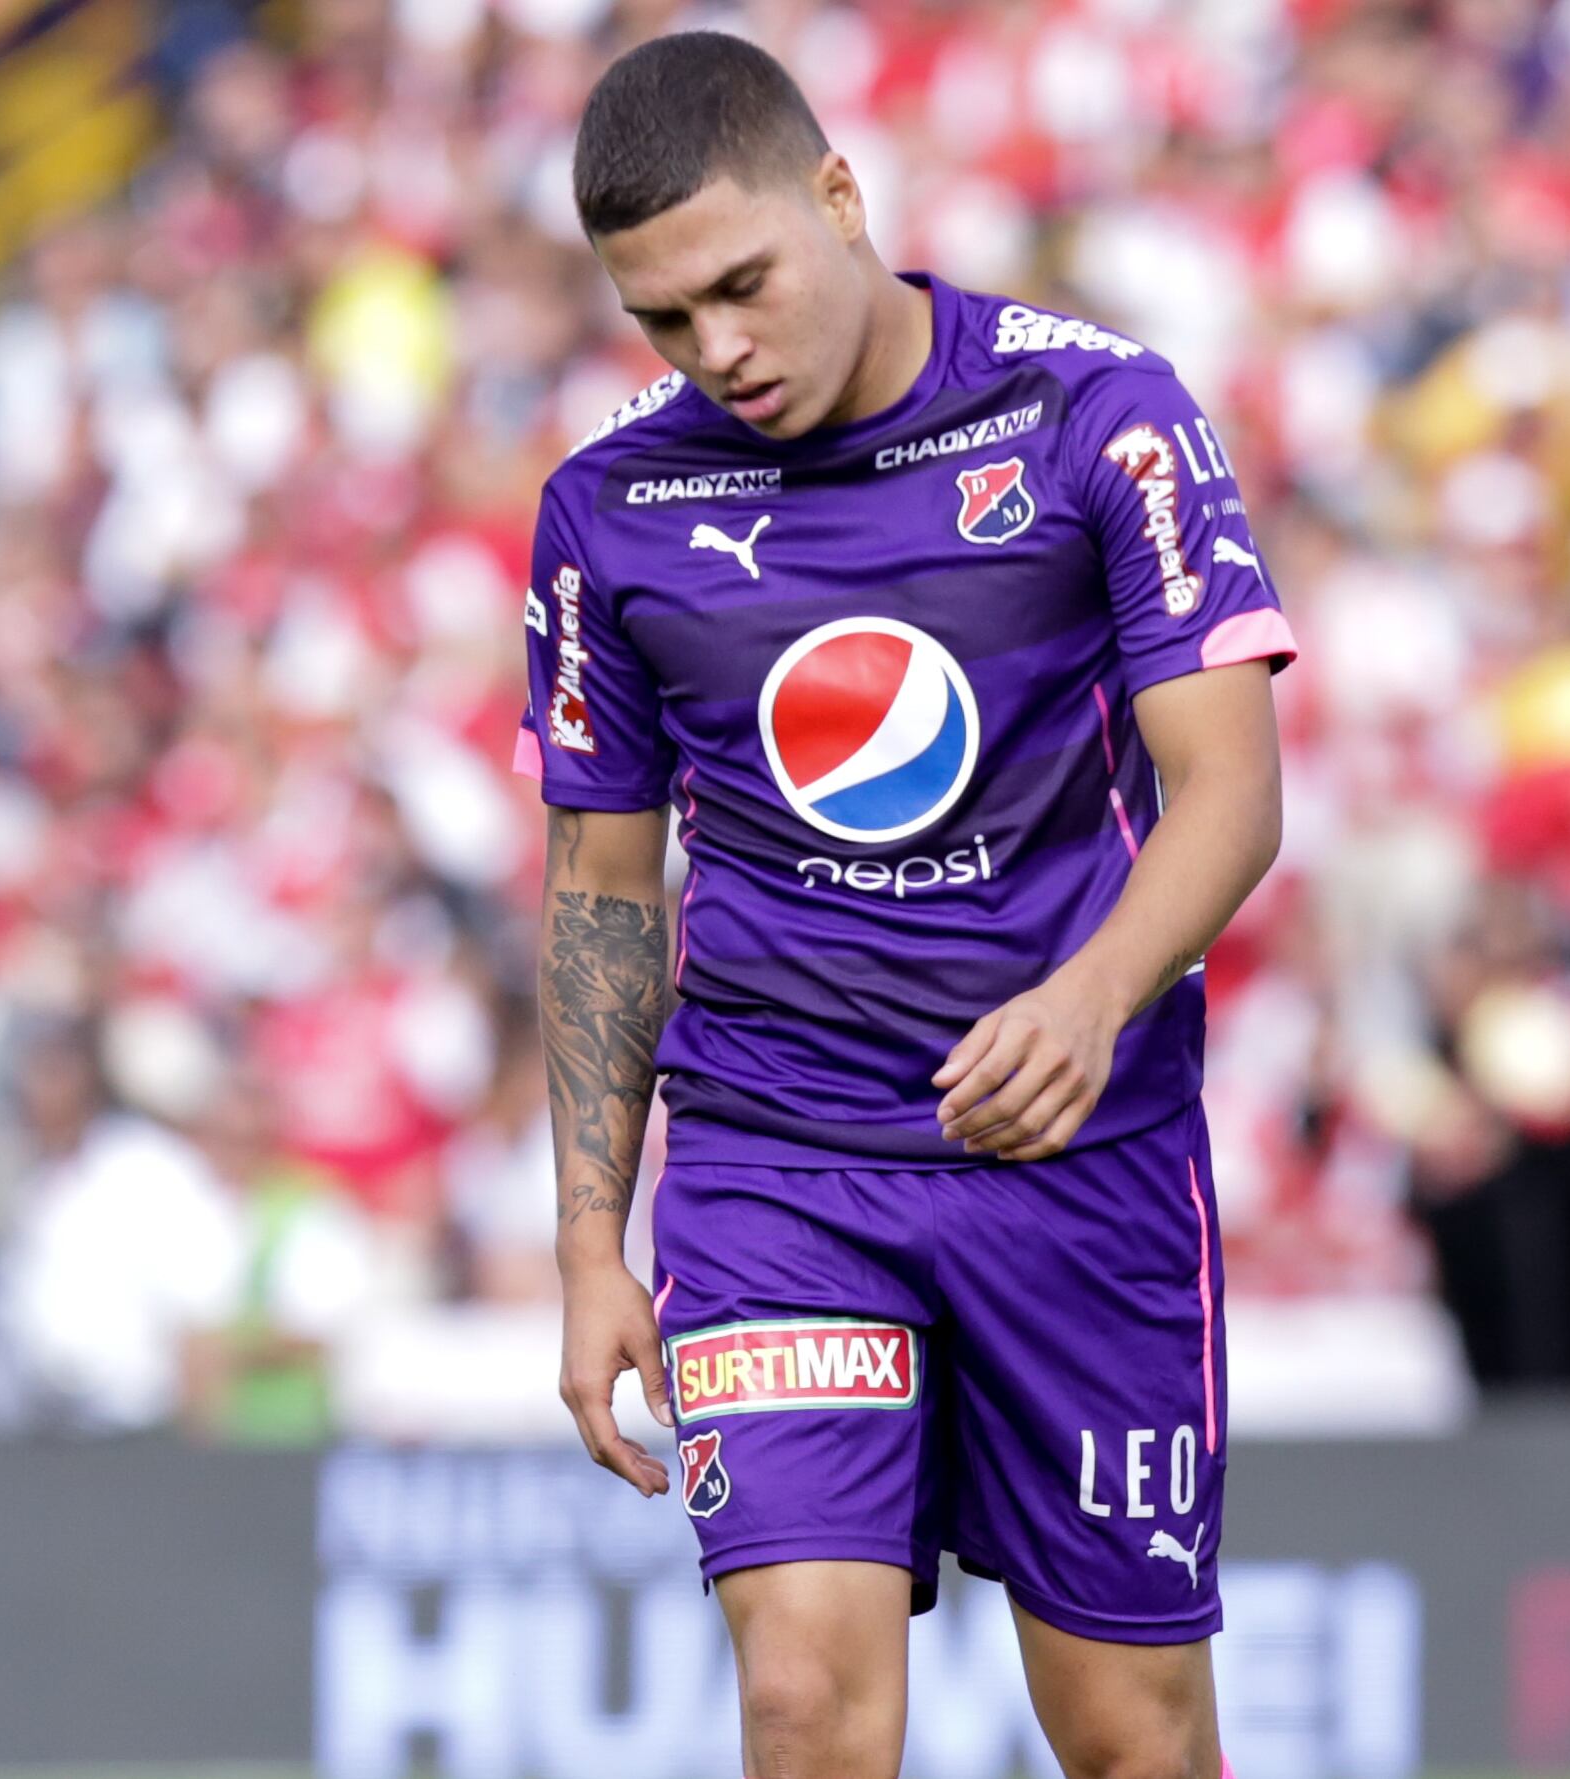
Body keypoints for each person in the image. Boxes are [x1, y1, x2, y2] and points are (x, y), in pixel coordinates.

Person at [521, 34, 1290, 1779]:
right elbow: (599, 894)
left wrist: (1091, 997)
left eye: (742, 286)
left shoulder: (1099, 415)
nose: (718, 349)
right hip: (776, 1161)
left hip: (1074, 1155)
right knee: (804, 1705)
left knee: (1136, 1742)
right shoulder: (609, 506)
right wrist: (586, 1249)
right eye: (664, 319)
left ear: (842, 198)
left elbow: (1232, 794)